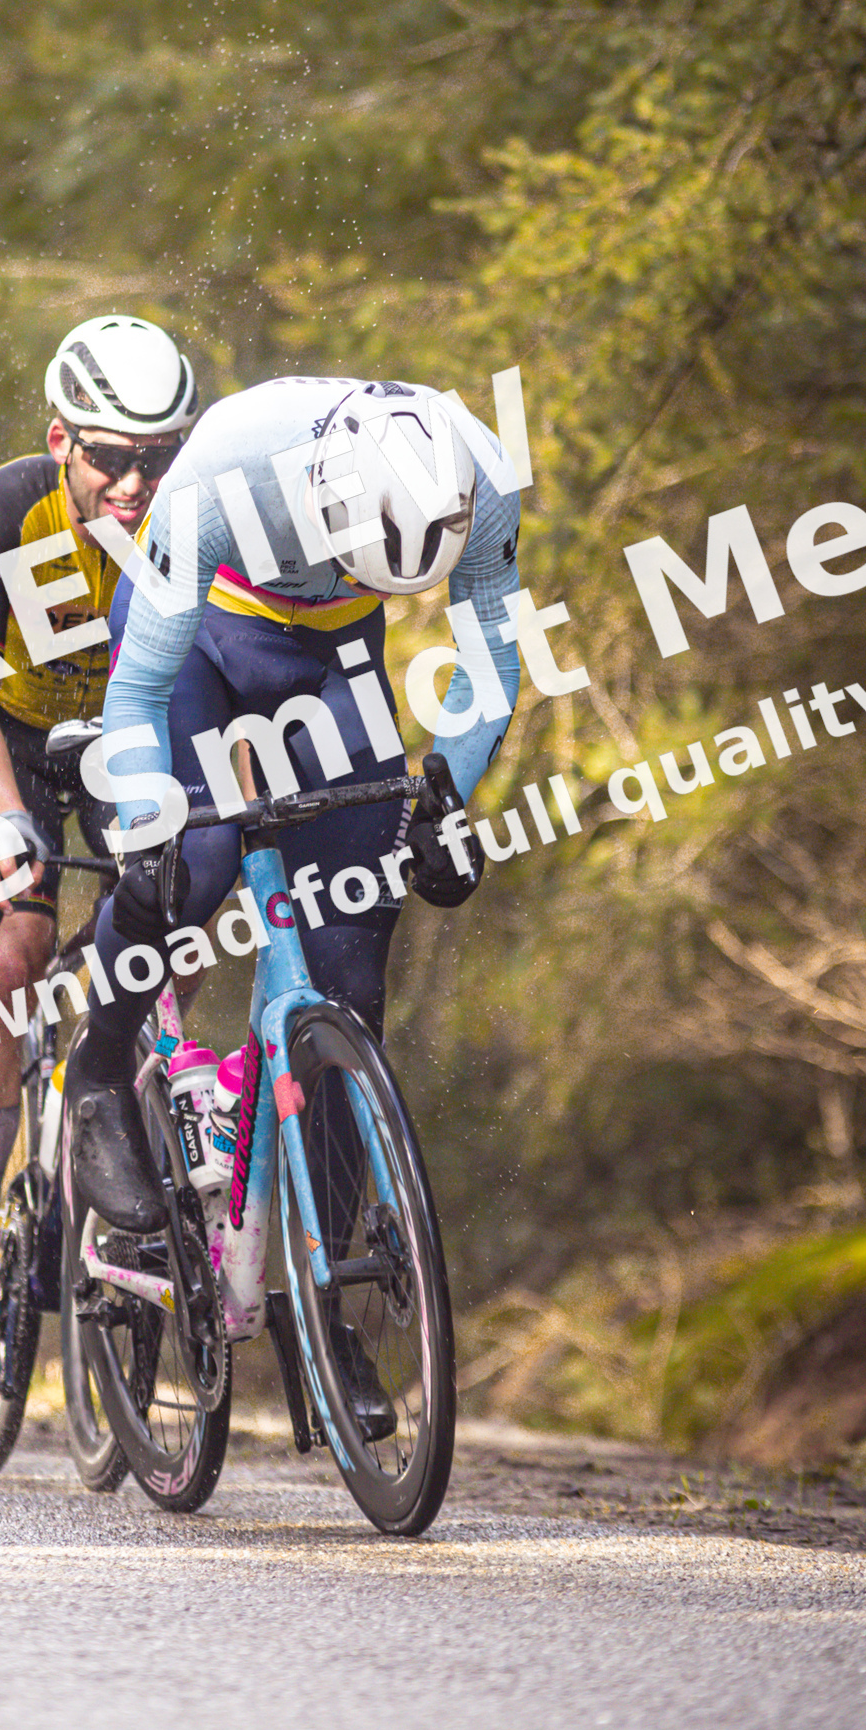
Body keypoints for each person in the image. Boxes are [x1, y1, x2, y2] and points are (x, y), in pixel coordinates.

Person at [65, 376, 522, 1247]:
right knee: (189, 874)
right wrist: (146, 821)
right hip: (196, 638)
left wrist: (447, 800)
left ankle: (335, 1297)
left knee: (350, 974)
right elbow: (137, 692)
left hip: (333, 651)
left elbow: (492, 659)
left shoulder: (482, 475)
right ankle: (98, 1068)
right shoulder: (226, 466)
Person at [0, 315, 201, 1384]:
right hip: (10, 740)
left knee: (168, 918)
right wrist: (1, 829)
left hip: (125, 740)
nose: (134, 482)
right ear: (60, 441)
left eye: (158, 456)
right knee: (10, 953)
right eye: (110, 457)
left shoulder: (195, 512)